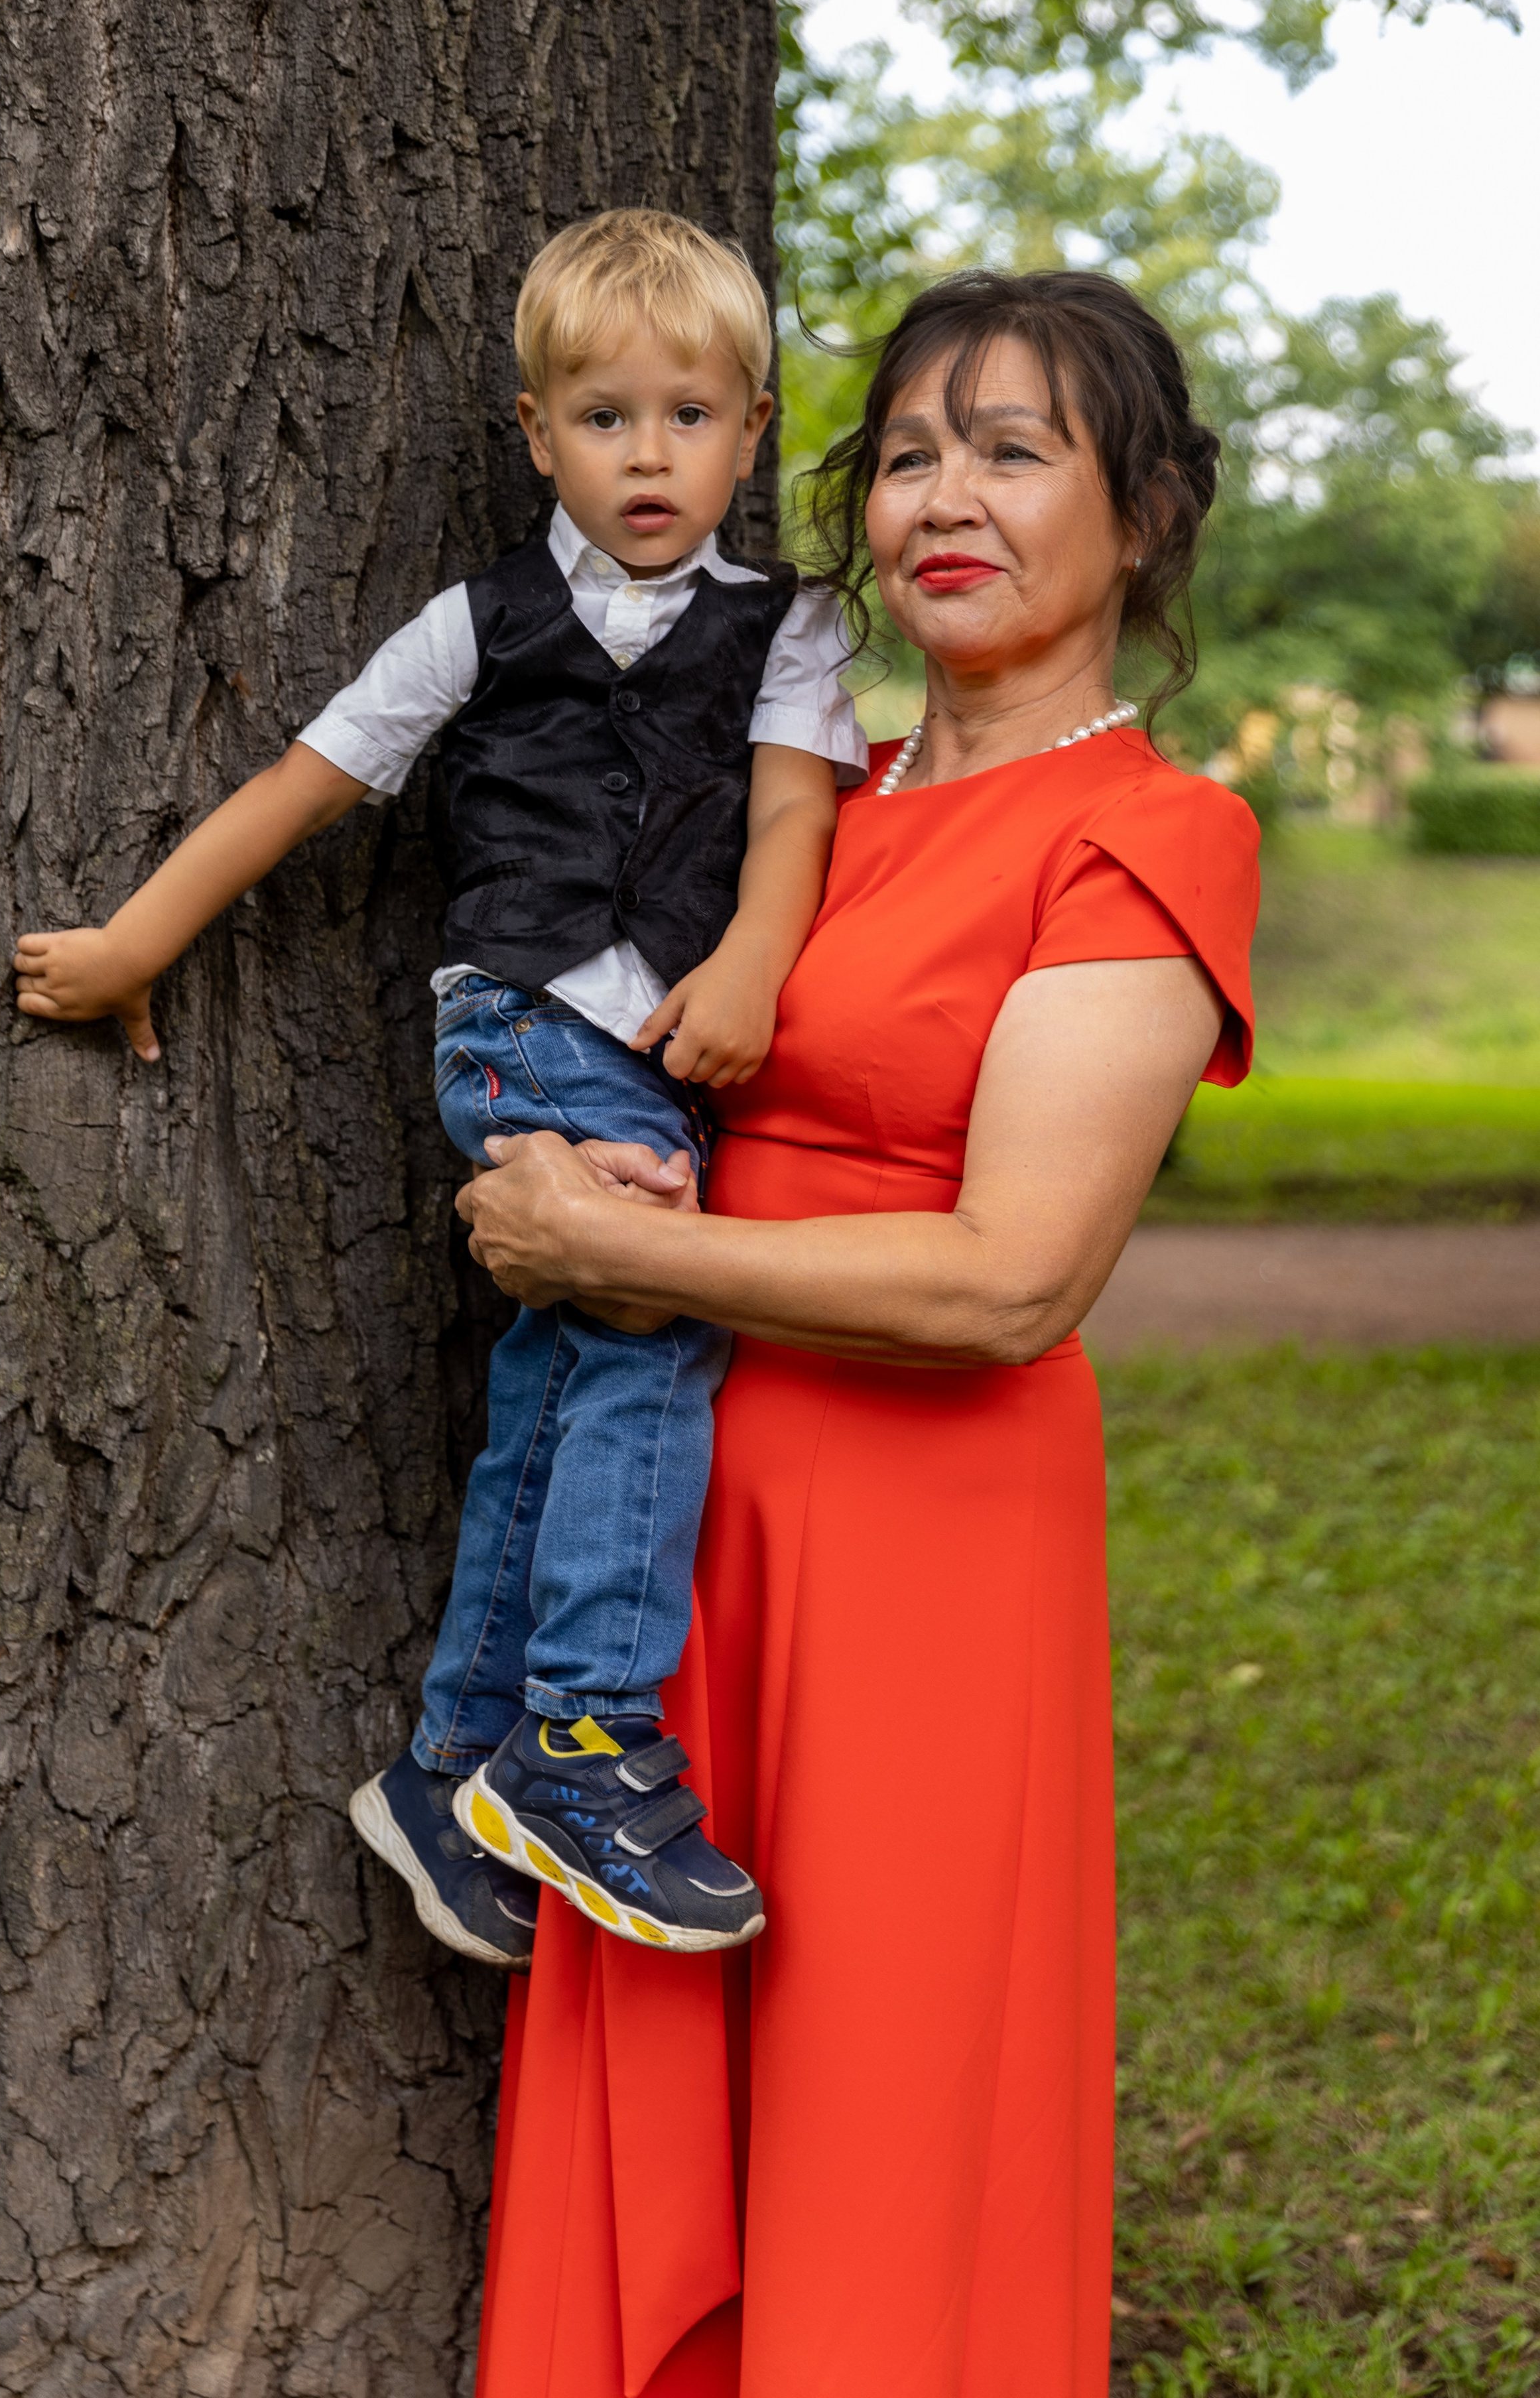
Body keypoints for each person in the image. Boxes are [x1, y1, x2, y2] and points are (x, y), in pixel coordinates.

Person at [446, 268, 1262, 2397]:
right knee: (660, 2074)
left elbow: (1013, 1279)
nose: (943, 500)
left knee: (880, 2110)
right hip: (680, 1526)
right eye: (906, 455)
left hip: (923, 1547)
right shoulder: (800, 795)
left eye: (1013, 450)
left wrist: (614, 1255)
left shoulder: (1155, 832)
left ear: (1148, 513)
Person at [10, 208, 867, 1972]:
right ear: (540, 431)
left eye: (690, 416)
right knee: (654, 1324)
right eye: (607, 415)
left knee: (561, 1381)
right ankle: (584, 1733)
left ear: (753, 430)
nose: (650, 451)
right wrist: (134, 941)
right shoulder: (480, 620)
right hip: (525, 1021)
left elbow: (792, 816)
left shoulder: (791, 627)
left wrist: (761, 964)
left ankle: (448, 1762)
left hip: (672, 1041)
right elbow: (302, 786)